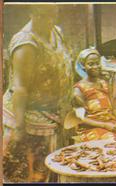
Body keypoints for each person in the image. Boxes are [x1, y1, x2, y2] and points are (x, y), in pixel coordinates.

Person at [3, 5, 73, 182]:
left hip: (52, 117)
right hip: (28, 119)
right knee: (28, 175)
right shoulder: (25, 43)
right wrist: (19, 129)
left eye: (52, 15)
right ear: (31, 12)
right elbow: (21, 88)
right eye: (42, 16)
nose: (48, 20)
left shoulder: (56, 32)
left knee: (48, 171)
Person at [65, 48, 116, 143]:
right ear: (83, 66)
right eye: (91, 64)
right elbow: (79, 118)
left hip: (111, 123)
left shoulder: (104, 83)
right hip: (91, 128)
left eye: (97, 63)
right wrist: (104, 125)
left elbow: (113, 109)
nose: (95, 66)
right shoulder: (79, 89)